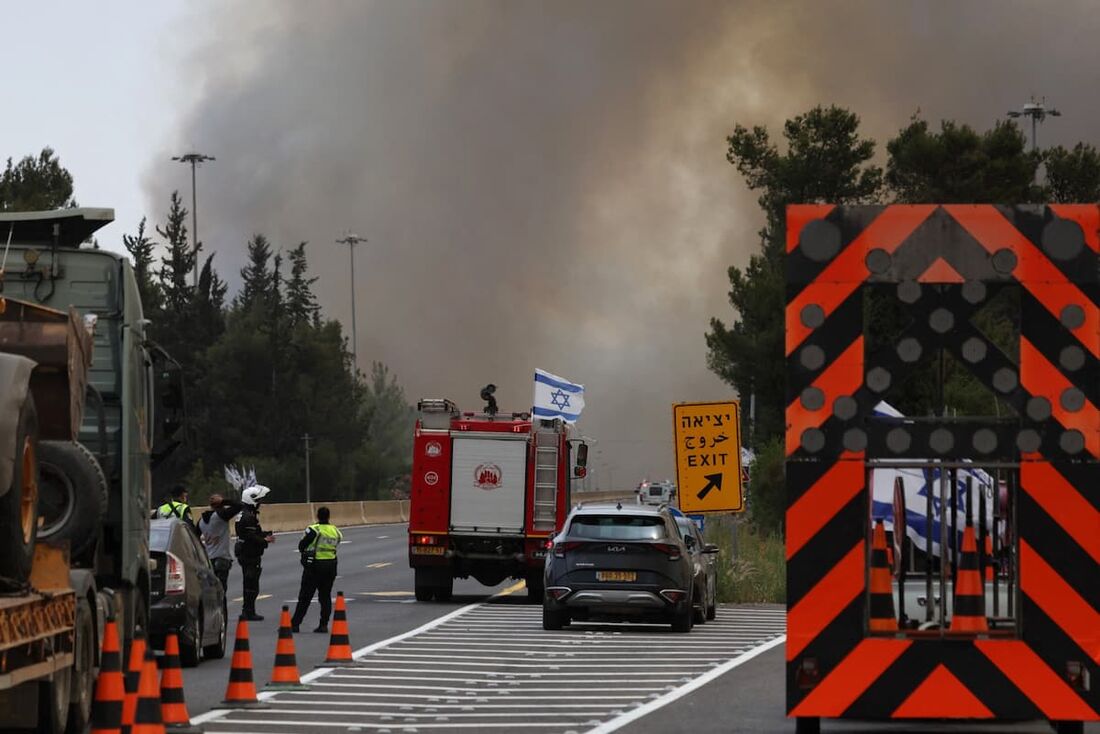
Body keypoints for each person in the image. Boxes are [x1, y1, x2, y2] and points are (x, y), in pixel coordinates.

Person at [291, 506, 343, 634]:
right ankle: (323, 624)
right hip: (330, 566)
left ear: (317, 516)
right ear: (328, 516)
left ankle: (295, 624)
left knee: (305, 597)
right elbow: (337, 543)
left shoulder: (314, 529)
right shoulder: (335, 530)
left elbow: (301, 546)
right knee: (325, 597)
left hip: (315, 566)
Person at [234, 485, 275, 621]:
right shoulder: (248, 517)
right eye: (258, 500)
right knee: (251, 584)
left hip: (245, 552)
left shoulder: (244, 514)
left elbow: (253, 533)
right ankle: (248, 611)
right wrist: (265, 540)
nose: (260, 503)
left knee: (249, 582)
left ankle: (248, 610)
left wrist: (265, 534)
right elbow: (251, 537)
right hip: (249, 554)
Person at [197, 493, 245, 596]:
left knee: (211, 592)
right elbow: (240, 506)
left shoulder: (201, 521)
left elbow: (194, 537)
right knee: (221, 592)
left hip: (209, 560)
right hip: (222, 557)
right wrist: (224, 501)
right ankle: (223, 612)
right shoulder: (221, 516)